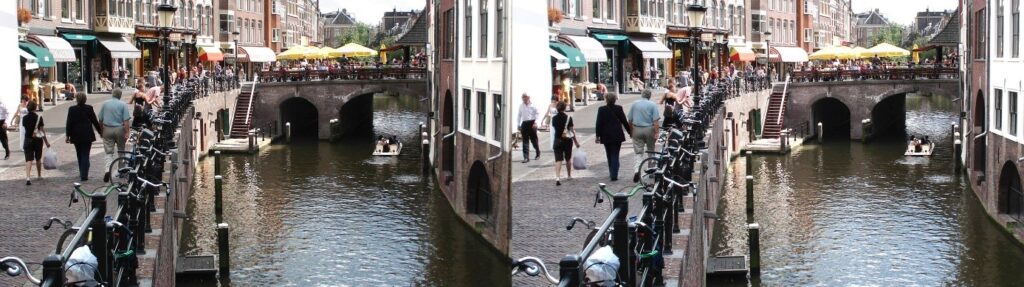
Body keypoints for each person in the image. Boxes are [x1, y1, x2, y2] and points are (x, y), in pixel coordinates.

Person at [595, 92, 632, 181]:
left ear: (606, 99)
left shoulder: (601, 109)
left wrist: (597, 135)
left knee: (609, 154)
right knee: (615, 154)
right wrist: (630, 132)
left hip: (606, 135)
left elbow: (598, 123)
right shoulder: (618, 108)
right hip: (617, 134)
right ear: (615, 100)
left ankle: (612, 172)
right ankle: (614, 173)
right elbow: (624, 121)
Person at [66, 93, 103, 181]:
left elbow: (69, 123)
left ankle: (81, 171)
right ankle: (84, 174)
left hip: (76, 134)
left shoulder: (72, 109)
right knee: (85, 154)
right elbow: (94, 121)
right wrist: (100, 132)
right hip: (87, 134)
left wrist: (67, 135)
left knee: (79, 154)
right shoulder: (89, 108)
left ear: (77, 99)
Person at [99, 89, 132, 182]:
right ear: (120, 95)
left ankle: (107, 169)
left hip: (107, 129)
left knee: (108, 152)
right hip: (119, 129)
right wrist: (127, 133)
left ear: (112, 94)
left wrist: (102, 131)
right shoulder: (123, 105)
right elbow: (126, 121)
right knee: (121, 150)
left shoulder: (105, 103)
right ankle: (121, 171)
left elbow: (100, 120)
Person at [627, 89, 661, 182]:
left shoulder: (634, 104)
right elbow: (656, 121)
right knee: (651, 150)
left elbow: (629, 120)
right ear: (649, 96)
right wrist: (657, 132)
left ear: (642, 95)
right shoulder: (652, 105)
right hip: (649, 129)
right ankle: (651, 171)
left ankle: (637, 170)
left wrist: (631, 131)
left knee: (638, 152)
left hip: (637, 129)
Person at [551, 101, 579, 186]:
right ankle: (569, 175)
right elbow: (571, 131)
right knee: (568, 158)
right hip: (567, 140)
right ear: (564, 108)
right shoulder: (568, 118)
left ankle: (557, 177)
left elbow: (554, 127)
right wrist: (576, 142)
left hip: (557, 139)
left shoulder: (554, 118)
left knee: (558, 159)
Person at [22, 101, 49, 185]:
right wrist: (46, 141)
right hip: (37, 140)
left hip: (28, 139)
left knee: (28, 159)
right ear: (35, 108)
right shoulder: (39, 117)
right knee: (38, 158)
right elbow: (42, 130)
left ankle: (28, 178)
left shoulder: (24, 118)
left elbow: (25, 127)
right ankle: (39, 175)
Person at [518, 93, 540, 163]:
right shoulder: (521, 106)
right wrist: (518, 124)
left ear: (528, 97)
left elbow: (537, 114)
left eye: (525, 97)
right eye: (523, 97)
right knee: (525, 141)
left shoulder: (533, 105)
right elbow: (519, 115)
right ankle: (526, 157)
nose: (524, 98)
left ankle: (537, 152)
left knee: (534, 140)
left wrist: (536, 122)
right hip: (524, 123)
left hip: (532, 123)